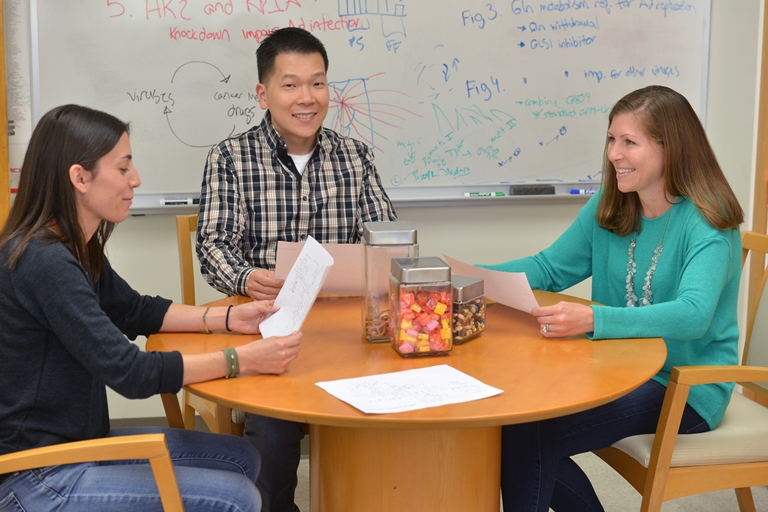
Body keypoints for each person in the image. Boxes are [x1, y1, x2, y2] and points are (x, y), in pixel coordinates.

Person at [0, 104, 304, 512]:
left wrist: (230, 317)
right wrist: (241, 359)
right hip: (37, 477)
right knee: (236, 498)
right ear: (79, 178)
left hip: (77, 448)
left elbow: (135, 310)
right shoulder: (45, 261)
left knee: (242, 457)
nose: (136, 180)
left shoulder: (74, 246)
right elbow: (131, 372)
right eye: (123, 168)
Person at [477, 85, 744, 511]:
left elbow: (694, 315)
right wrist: (464, 279)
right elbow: (549, 268)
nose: (614, 154)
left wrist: (593, 321)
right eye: (611, 140)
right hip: (618, 370)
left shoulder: (709, 222)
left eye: (629, 143)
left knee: (529, 435)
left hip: (685, 386)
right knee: (516, 426)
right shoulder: (613, 204)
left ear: (670, 148)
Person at [196, 27, 397, 512]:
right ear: (264, 94)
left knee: (397, 394)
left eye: (318, 83)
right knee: (275, 426)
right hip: (268, 327)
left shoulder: (355, 156)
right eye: (290, 85)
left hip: (347, 327)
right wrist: (246, 278)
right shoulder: (230, 158)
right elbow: (213, 246)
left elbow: (386, 237)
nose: (307, 98)